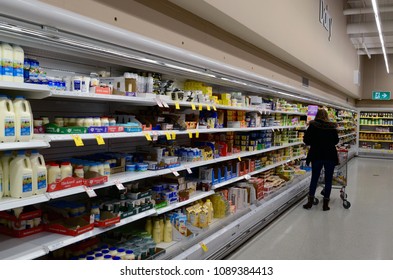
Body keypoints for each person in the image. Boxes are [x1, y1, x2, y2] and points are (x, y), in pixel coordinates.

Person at [303, 108, 339, 211]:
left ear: (317, 115)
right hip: (329, 156)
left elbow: (307, 140)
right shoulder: (332, 127)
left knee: (314, 178)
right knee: (328, 180)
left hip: (316, 155)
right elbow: (336, 141)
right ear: (327, 116)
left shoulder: (313, 126)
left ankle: (310, 202)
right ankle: (325, 204)